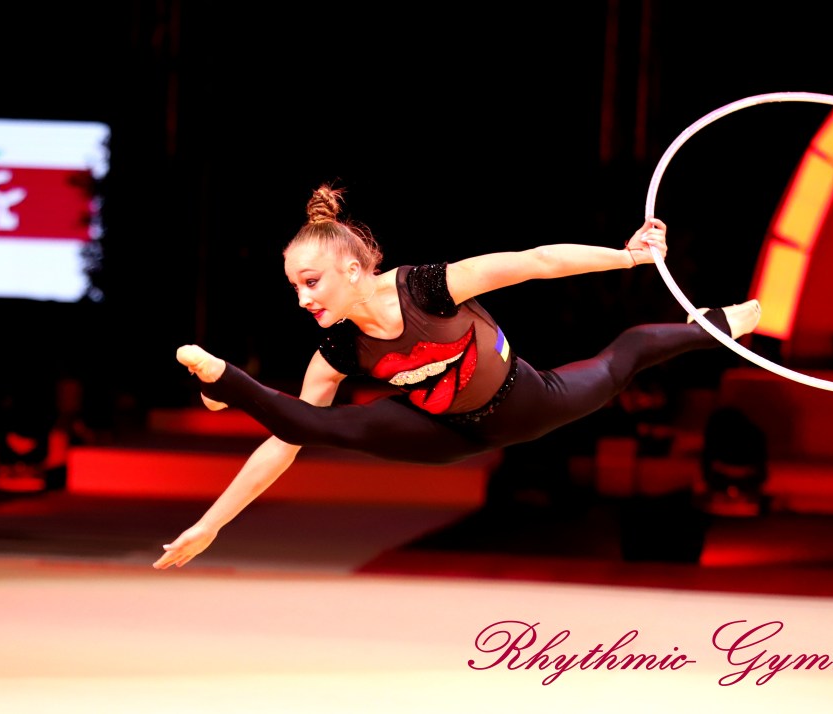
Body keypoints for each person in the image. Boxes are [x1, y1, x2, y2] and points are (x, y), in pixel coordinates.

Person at [154, 183, 761, 569]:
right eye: (294, 287)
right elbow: (283, 443)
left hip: (526, 402)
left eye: (310, 282)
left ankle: (714, 326)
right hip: (438, 433)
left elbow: (536, 262)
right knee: (321, 425)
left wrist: (627, 257)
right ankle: (226, 382)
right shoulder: (339, 348)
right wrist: (210, 524)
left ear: (352, 269)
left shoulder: (429, 288)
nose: (302, 299)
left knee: (622, 357)